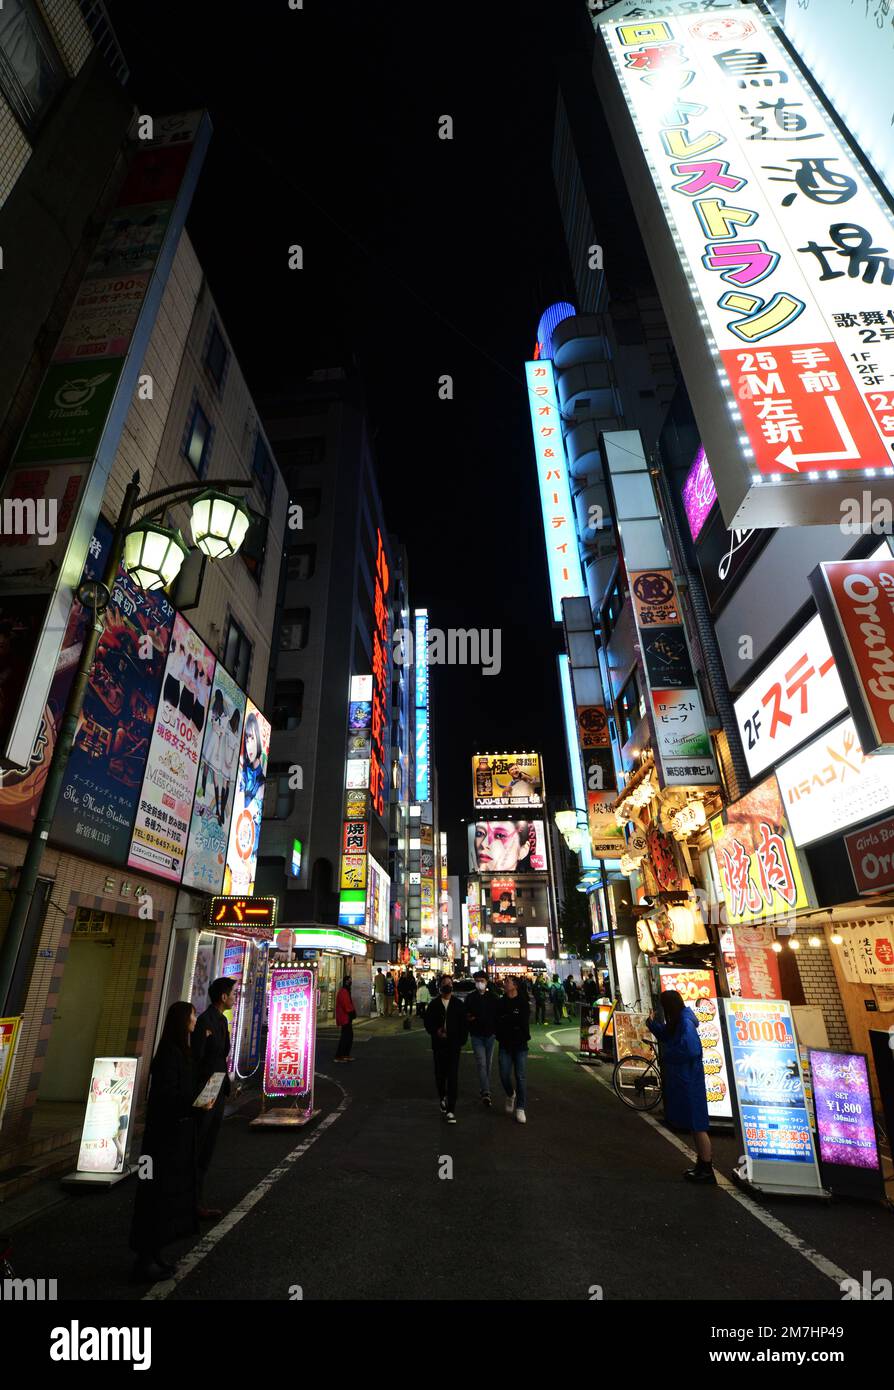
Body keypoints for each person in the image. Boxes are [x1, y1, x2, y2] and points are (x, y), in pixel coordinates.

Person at [129, 1002, 203, 1282]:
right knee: (155, 1196)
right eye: (192, 1016)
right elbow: (165, 1097)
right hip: (162, 1142)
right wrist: (195, 1104)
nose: (195, 1020)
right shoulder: (169, 1055)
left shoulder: (179, 1051)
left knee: (167, 1196)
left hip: (174, 1137)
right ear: (182, 1021)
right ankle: (145, 1260)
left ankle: (155, 1254)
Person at [647, 990, 715, 1184]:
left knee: (698, 1125)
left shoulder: (685, 1023)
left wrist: (668, 1055)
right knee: (695, 1125)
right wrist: (652, 1024)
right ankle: (702, 1165)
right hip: (686, 1078)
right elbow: (668, 1036)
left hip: (690, 1079)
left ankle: (707, 1167)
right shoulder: (680, 1020)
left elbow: (691, 1049)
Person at [192, 977, 236, 1218]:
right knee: (200, 1142)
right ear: (223, 997)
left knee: (208, 1143)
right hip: (207, 1086)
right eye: (232, 994)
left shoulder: (219, 1020)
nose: (234, 997)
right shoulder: (205, 1022)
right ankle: (192, 1200)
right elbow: (199, 1058)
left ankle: (196, 1198)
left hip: (218, 1085)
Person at [424, 976, 469, 1123]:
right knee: (440, 1074)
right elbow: (428, 1023)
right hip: (438, 1045)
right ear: (440, 987)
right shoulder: (434, 1004)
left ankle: (451, 1109)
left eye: (449, 984)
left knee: (453, 1075)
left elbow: (464, 1025)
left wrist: (461, 1040)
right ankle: (442, 1096)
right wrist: (436, 1031)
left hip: (454, 1045)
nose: (447, 986)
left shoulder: (458, 1004)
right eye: (444, 984)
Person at [496, 974, 530, 1124]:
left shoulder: (523, 1002)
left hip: (520, 1044)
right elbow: (499, 1020)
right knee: (504, 1074)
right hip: (505, 1043)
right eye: (505, 981)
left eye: (507, 981)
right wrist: (508, 1021)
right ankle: (510, 1094)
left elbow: (521, 1021)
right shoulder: (501, 1002)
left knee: (520, 1076)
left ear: (515, 985)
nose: (505, 983)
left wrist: (507, 1019)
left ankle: (521, 1108)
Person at [465, 970, 498, 1105]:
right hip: (476, 1035)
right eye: (477, 981)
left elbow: (497, 1015)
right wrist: (469, 1018)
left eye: (481, 981)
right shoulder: (471, 997)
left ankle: (484, 1088)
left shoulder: (493, 997)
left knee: (488, 1064)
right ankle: (486, 1091)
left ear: (486, 982)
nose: (479, 983)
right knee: (481, 1062)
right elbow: (465, 1014)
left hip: (490, 1035)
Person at [334, 977, 356, 1061]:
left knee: (348, 1036)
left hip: (345, 1017)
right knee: (346, 1036)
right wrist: (352, 1012)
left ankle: (345, 1054)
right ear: (346, 982)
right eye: (349, 981)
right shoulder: (344, 991)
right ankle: (340, 1055)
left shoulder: (345, 991)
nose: (350, 982)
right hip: (344, 1017)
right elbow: (347, 1005)